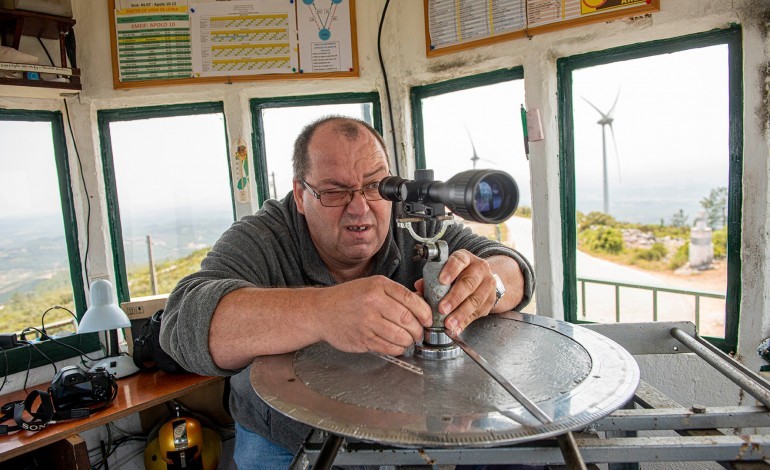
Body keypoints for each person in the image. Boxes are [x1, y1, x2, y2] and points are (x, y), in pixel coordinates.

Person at [160, 116, 535, 469]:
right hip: (281, 436)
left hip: (395, 427)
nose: (360, 208)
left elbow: (513, 267)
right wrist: (322, 312)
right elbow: (183, 325)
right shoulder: (263, 237)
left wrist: (491, 283)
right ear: (300, 194)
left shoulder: (414, 224)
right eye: (335, 192)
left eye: (375, 186)